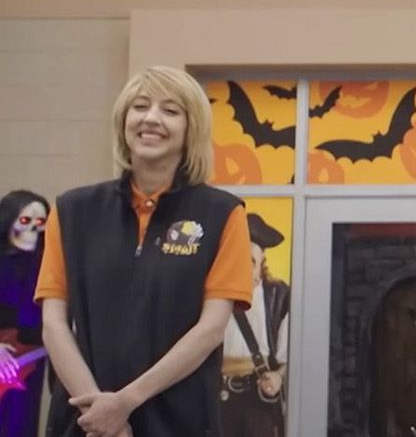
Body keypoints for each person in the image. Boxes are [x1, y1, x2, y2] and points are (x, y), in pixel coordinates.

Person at [35, 66, 254, 437]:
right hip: (84, 421)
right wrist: (99, 411)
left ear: (191, 129)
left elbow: (210, 329)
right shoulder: (72, 210)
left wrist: (124, 404)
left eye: (170, 110)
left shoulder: (223, 214)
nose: (151, 119)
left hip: (179, 422)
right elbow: (54, 324)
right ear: (124, 121)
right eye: (140, 106)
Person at [219, 213, 291, 436]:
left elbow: (292, 358)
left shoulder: (278, 297)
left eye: (250, 261)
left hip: (259, 398)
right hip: (220, 397)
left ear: (261, 264)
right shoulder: (215, 296)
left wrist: (279, 376)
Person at [0, 189, 50, 437]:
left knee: (23, 422)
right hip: (4, 352)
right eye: (25, 220)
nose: (34, 228)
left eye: (40, 222)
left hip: (33, 357)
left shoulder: (46, 263)